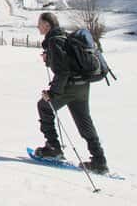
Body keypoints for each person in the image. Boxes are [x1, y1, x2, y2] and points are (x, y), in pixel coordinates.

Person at [34, 12, 109, 174]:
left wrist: (52, 93)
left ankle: (53, 148)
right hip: (82, 85)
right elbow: (66, 63)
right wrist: (49, 59)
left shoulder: (54, 41)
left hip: (70, 86)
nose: (37, 26)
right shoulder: (64, 37)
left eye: (39, 23)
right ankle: (99, 160)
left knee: (44, 106)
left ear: (47, 25)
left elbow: (63, 72)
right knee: (84, 121)